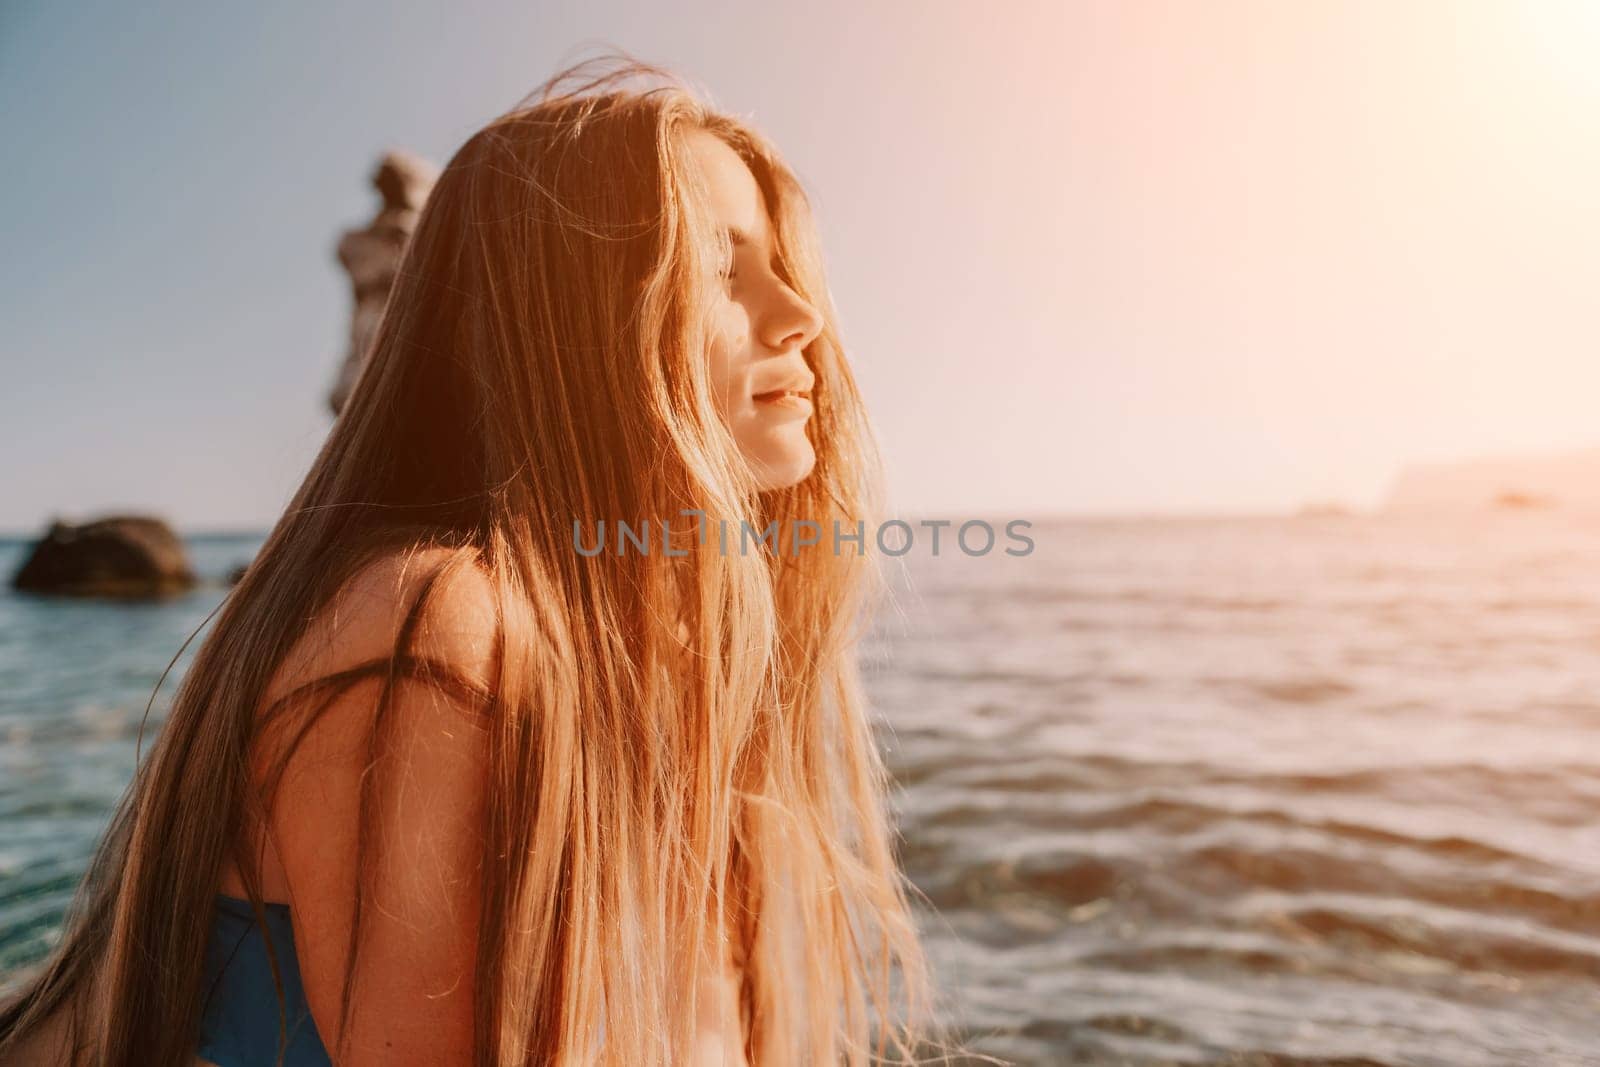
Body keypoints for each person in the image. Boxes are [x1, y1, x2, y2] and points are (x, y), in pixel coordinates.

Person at [0, 52, 947, 1066]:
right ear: (564, 316)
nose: (800, 317)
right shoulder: (437, 630)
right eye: (721, 268)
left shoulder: (660, 652)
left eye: (785, 269)